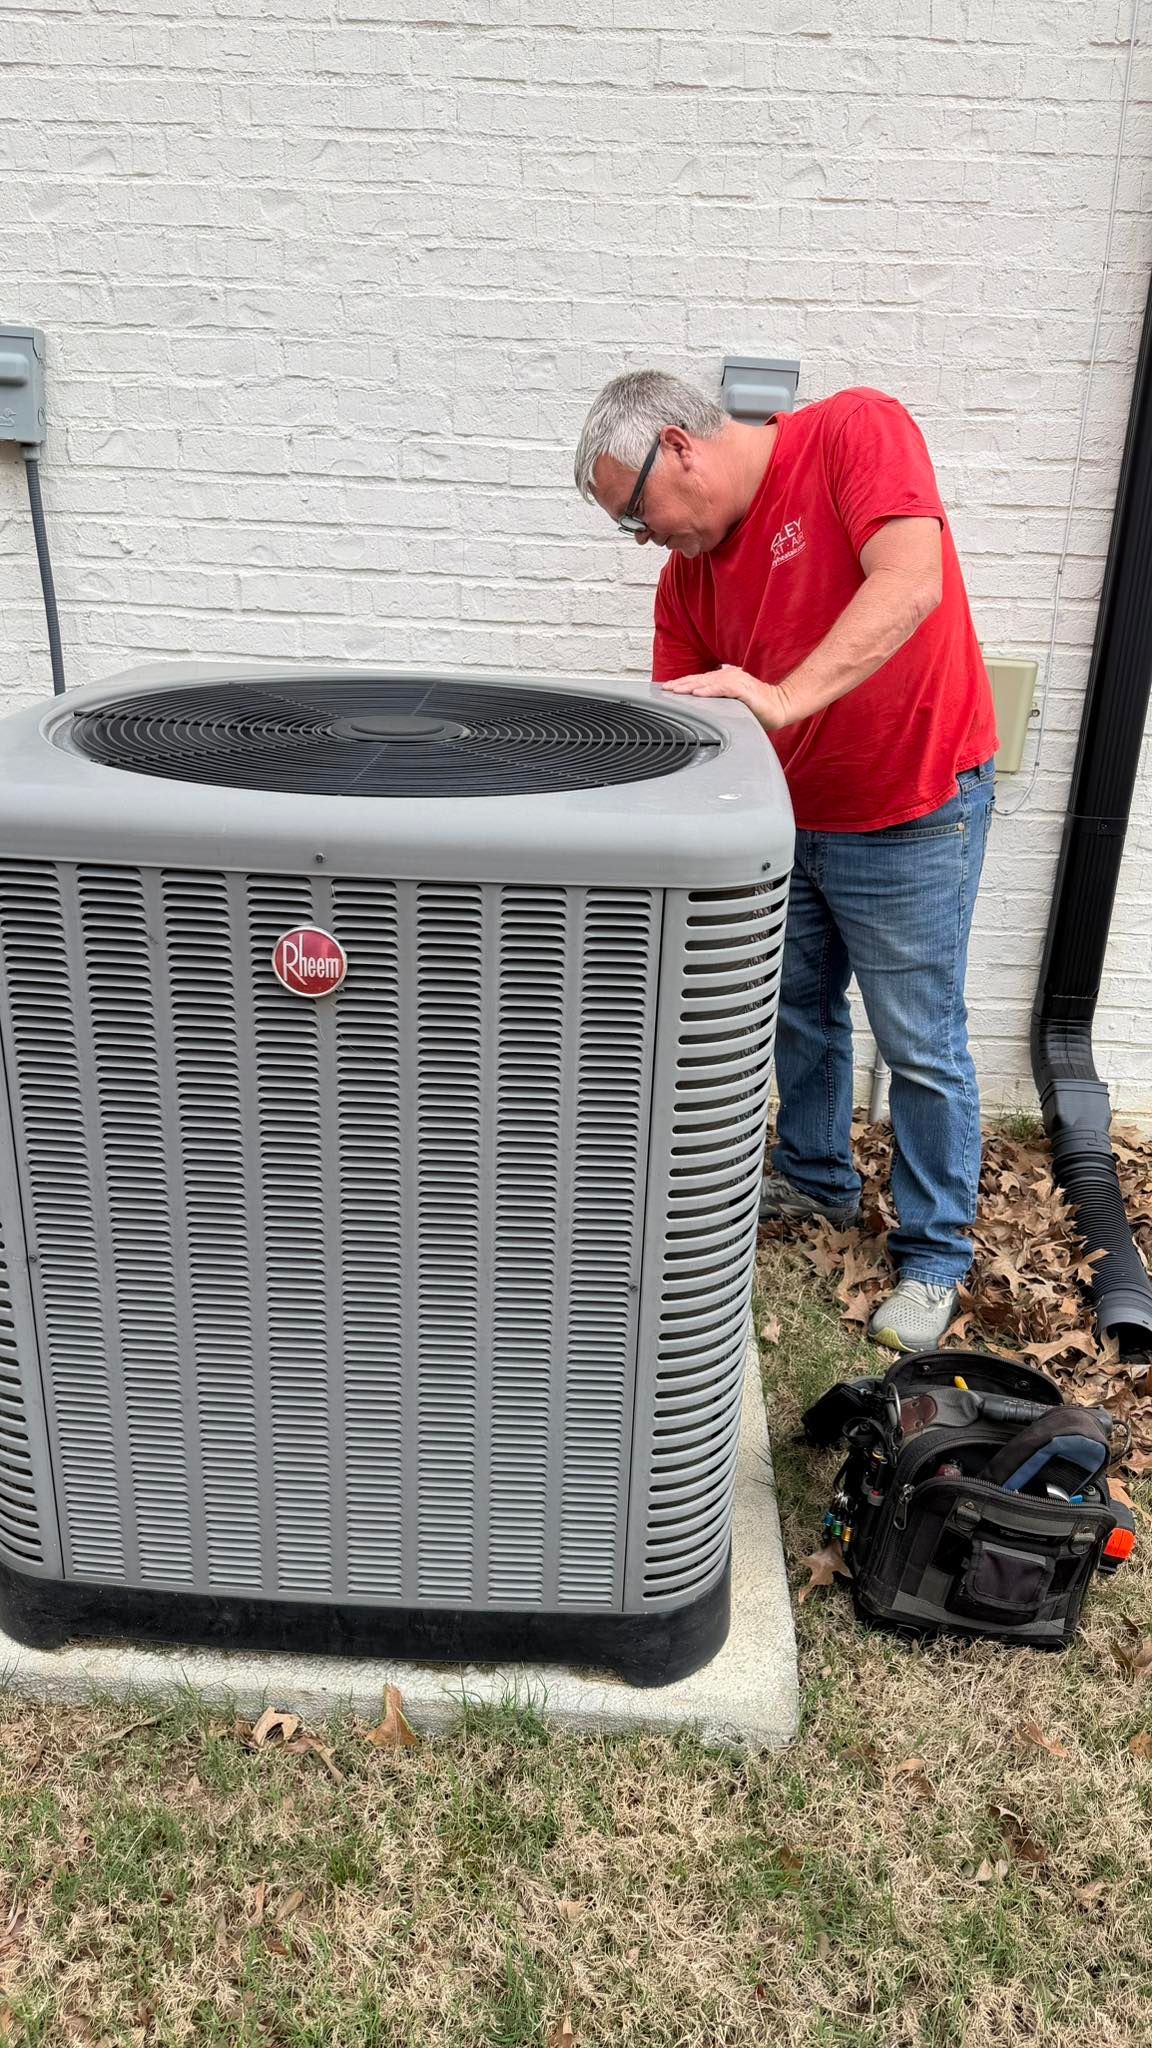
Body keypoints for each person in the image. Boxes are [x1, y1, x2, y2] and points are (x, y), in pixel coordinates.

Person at [573, 370, 998, 1352]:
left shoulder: (855, 431)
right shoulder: (688, 578)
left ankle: (935, 1254)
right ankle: (817, 1180)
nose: (642, 538)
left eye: (635, 511)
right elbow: (684, 728)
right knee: (795, 1012)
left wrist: (784, 694)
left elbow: (910, 579)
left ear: (677, 446)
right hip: (786, 825)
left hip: (911, 808)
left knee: (921, 1042)